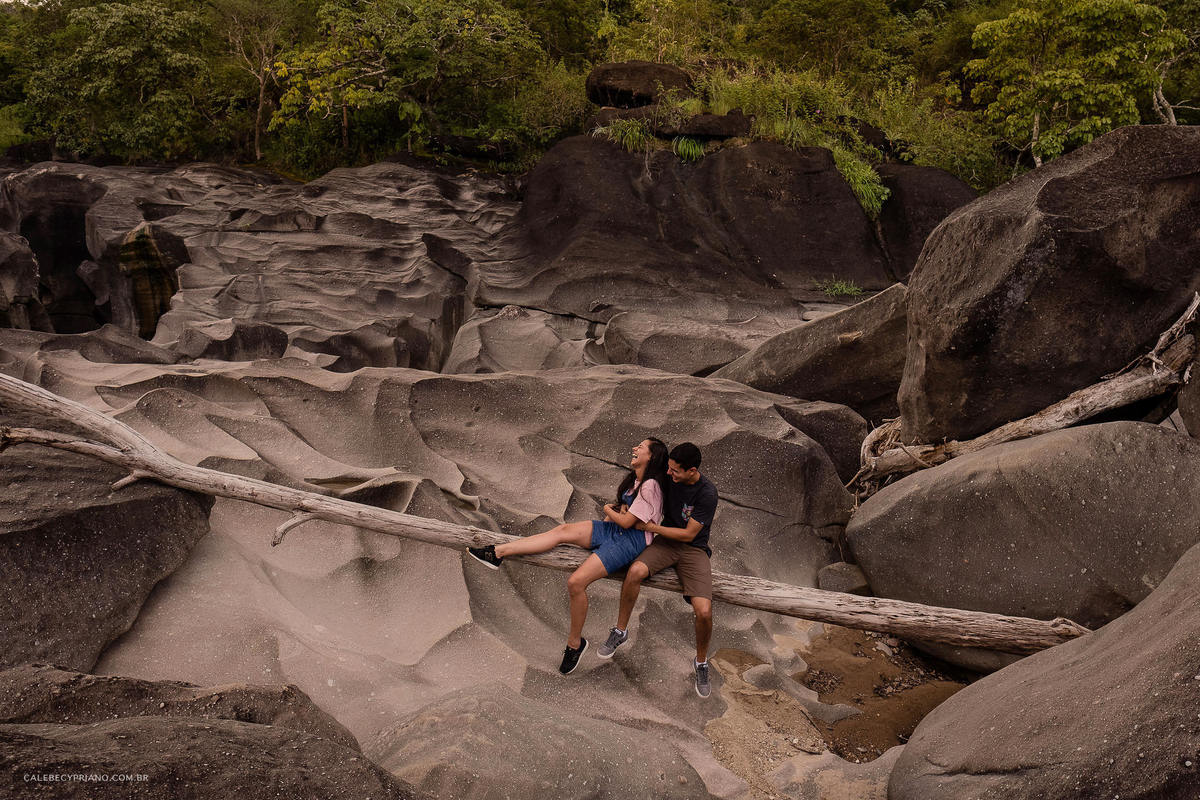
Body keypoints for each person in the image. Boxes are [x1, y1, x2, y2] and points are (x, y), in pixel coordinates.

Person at [466, 437, 668, 675]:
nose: (634, 448)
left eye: (641, 447)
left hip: (630, 542)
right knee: (562, 530)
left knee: (576, 582)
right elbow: (623, 514)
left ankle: (575, 644)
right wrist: (614, 513)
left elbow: (626, 519)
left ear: (651, 457)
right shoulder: (636, 480)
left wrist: (607, 509)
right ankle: (497, 553)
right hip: (615, 531)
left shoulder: (651, 486)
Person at [595, 442, 719, 698]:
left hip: (693, 549)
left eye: (676, 472)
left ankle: (701, 662)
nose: (670, 475)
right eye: (669, 469)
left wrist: (652, 528)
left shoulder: (707, 493)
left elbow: (689, 534)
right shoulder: (667, 476)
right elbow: (642, 483)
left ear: (692, 470)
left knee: (704, 611)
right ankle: (620, 631)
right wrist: (623, 509)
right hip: (664, 544)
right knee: (635, 572)